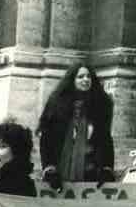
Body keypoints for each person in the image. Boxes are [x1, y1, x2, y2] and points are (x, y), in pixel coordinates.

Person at [37, 61, 114, 191]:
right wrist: (49, 168)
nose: (85, 80)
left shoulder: (101, 105)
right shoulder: (57, 104)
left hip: (91, 174)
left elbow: (105, 140)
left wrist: (106, 168)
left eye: (88, 76)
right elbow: (47, 139)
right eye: (80, 77)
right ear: (71, 80)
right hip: (59, 175)